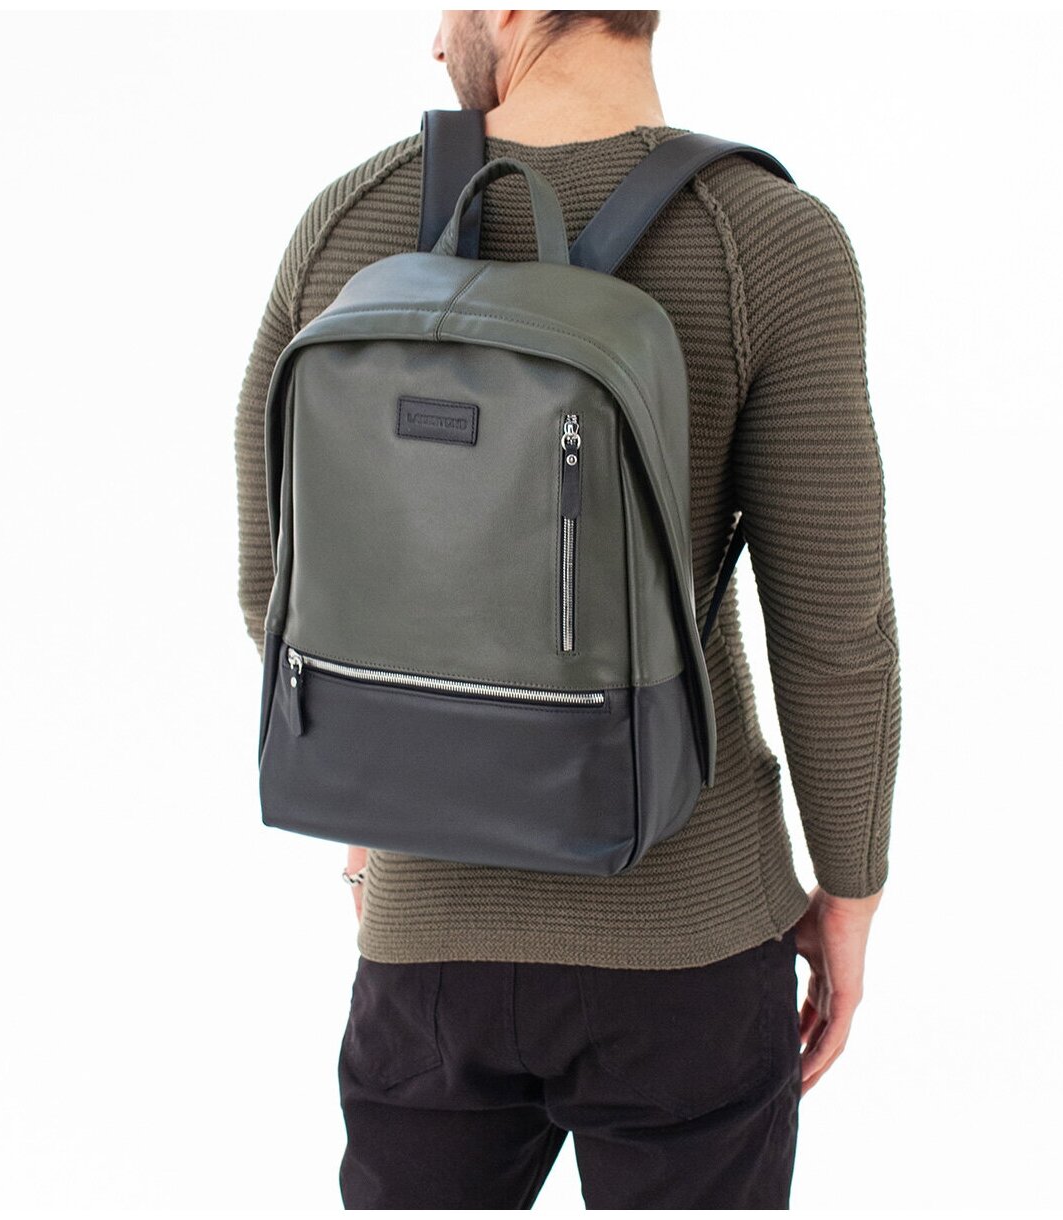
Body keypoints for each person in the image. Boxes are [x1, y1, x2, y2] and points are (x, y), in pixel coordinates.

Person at [234, 9, 902, 1210]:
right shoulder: (766, 238)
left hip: (424, 946)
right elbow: (834, 630)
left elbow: (273, 583)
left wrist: (385, 798)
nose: (433, 39)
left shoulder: (351, 220)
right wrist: (846, 893)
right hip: (689, 936)